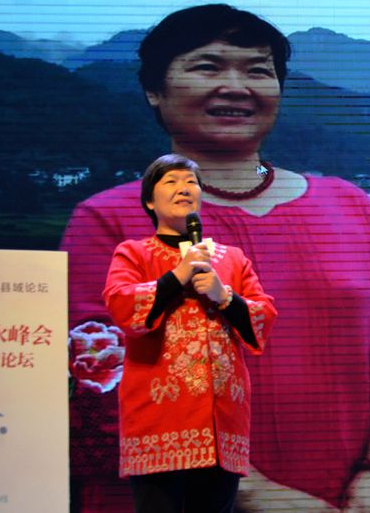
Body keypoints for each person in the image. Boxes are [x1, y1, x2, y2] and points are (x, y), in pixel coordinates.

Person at [63, 4, 370, 512]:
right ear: (154, 90)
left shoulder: (351, 209)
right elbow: (102, 380)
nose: (236, 87)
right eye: (207, 66)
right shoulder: (108, 218)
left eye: (258, 70)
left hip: (345, 495)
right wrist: (254, 494)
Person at [103, 154, 276, 512]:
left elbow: (263, 317)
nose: (183, 188)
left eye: (191, 182)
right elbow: (122, 305)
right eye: (171, 181)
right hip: (157, 417)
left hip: (222, 420)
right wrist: (178, 275)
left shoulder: (232, 258)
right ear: (149, 202)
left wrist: (223, 295)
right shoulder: (133, 253)